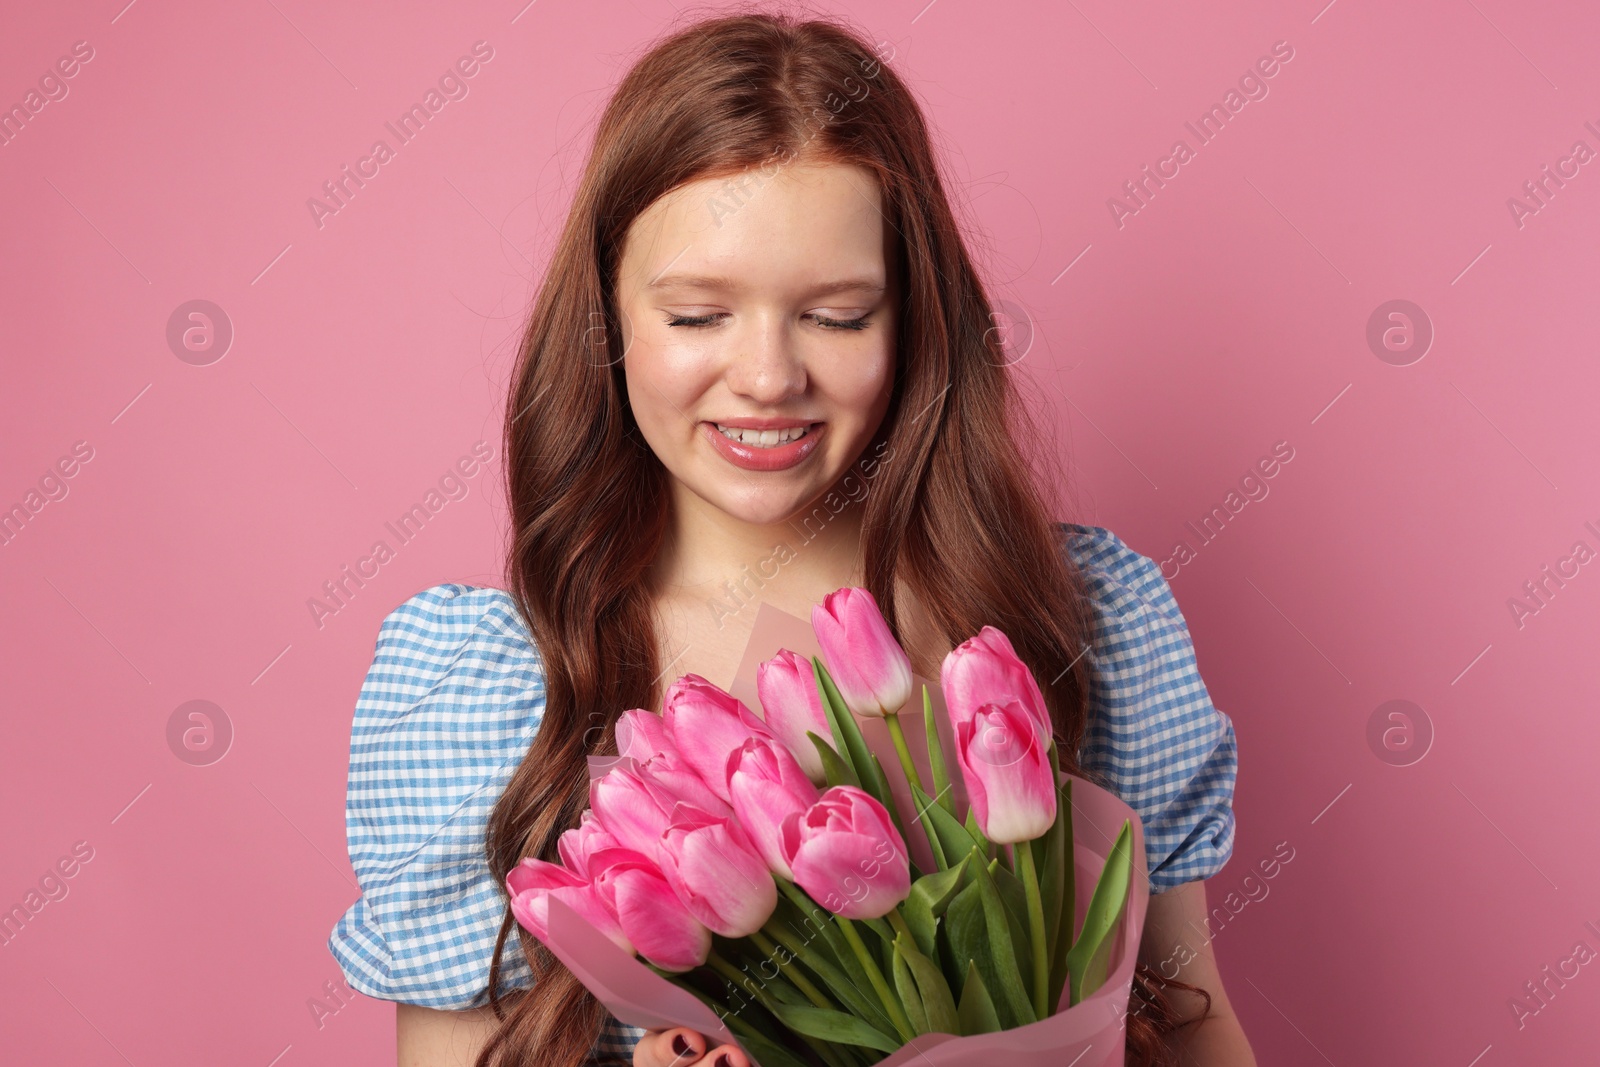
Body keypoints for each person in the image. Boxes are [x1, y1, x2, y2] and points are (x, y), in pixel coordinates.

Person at [328, 11, 1257, 1067]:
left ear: (913, 323)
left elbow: (1189, 1021)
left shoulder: (1088, 617)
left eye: (837, 313)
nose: (769, 376)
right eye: (696, 315)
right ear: (606, 323)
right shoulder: (480, 686)